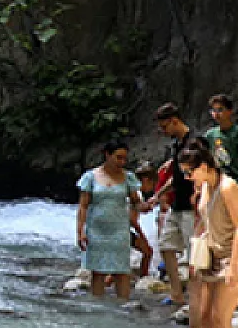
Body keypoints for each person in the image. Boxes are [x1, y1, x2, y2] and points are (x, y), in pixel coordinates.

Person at [185, 140, 238, 328]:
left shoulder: (228, 187)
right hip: (212, 255)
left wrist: (233, 268)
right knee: (204, 318)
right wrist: (194, 257)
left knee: (220, 319)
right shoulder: (205, 187)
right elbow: (204, 223)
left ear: (204, 167)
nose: (188, 178)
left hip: (234, 256)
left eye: (189, 172)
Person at [75, 141, 144, 299]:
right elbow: (83, 206)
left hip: (120, 229)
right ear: (107, 155)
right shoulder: (90, 177)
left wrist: (144, 206)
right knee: (98, 272)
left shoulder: (128, 178)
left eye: (124, 158)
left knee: (122, 271)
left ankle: (123, 308)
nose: (122, 162)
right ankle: (98, 310)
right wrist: (80, 231)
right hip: (96, 230)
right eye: (118, 157)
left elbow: (136, 202)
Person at [148, 103, 197, 310]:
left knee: (194, 252)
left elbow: (203, 172)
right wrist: (157, 195)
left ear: (175, 120)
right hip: (177, 204)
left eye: (164, 127)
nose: (163, 132)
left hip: (191, 206)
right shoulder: (177, 145)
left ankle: (198, 296)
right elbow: (176, 177)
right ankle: (177, 293)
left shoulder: (195, 142)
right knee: (166, 246)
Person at [204, 93, 238, 189]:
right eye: (213, 110)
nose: (216, 114)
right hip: (215, 180)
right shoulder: (210, 135)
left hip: (233, 179)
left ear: (229, 111)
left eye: (220, 110)